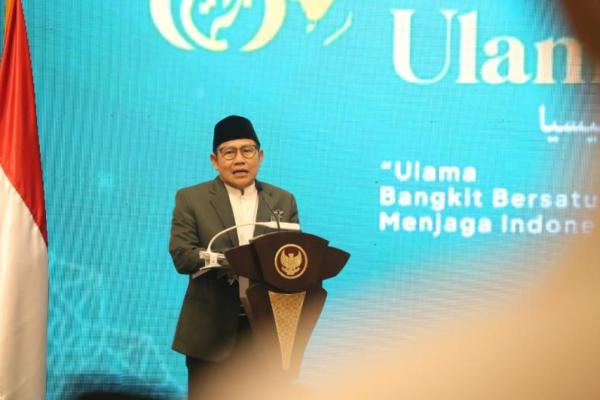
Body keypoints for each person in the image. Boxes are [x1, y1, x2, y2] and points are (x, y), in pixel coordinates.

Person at [168, 115, 299, 398]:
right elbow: (182, 256)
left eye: (247, 151)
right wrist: (236, 260)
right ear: (215, 160)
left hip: (264, 335)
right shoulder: (191, 199)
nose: (239, 160)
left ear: (260, 156)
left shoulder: (282, 200)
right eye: (229, 152)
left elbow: (292, 259)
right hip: (210, 335)